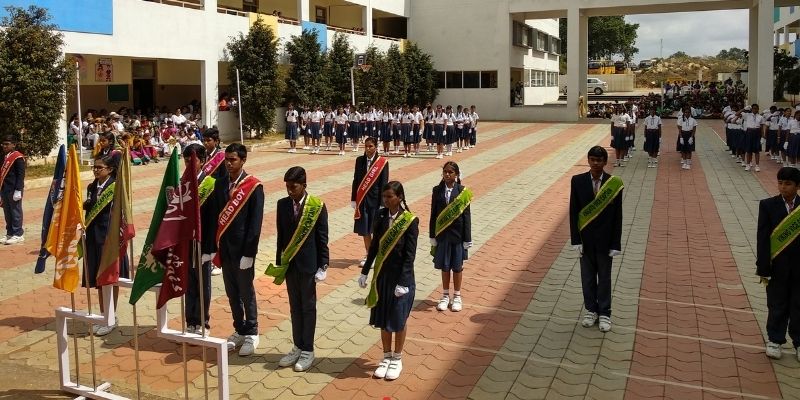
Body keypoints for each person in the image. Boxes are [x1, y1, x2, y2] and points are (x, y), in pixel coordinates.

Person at [268, 166, 329, 372]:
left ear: (304, 185)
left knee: (308, 307)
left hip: (308, 266)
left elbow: (322, 238)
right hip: (290, 265)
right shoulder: (282, 204)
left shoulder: (317, 206)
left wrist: (323, 265)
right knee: (295, 307)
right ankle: (297, 346)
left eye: (293, 187)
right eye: (287, 187)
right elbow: (281, 235)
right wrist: (279, 261)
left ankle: (308, 350)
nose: (289, 191)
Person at [358, 181, 418, 380]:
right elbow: (374, 246)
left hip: (401, 279)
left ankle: (397, 359)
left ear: (399, 198)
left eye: (389, 197)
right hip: (382, 276)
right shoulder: (381, 216)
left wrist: (404, 282)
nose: (386, 200)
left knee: (398, 319)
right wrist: (365, 271)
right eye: (384, 197)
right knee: (384, 318)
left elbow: (410, 255)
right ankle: (386, 356)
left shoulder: (409, 221)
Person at [213, 143, 264, 356]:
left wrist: (249, 253)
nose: (228, 163)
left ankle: (252, 331)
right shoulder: (220, 183)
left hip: (243, 250)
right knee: (232, 292)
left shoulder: (253, 186)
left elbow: (255, 223)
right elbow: (215, 217)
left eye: (233, 159)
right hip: (225, 249)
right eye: (226, 159)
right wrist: (213, 247)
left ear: (243, 160)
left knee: (246, 291)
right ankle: (239, 329)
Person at [569, 146, 623, 333]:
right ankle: (591, 310)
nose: (595, 163)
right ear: (588, 160)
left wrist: (616, 243)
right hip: (585, 240)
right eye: (592, 159)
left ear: (605, 162)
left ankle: (605, 312)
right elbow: (573, 211)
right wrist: (575, 240)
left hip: (605, 241)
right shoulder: (577, 181)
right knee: (587, 278)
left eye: (599, 160)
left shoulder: (613, 184)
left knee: (605, 278)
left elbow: (618, 216)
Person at [82, 155, 130, 336]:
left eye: (99, 167)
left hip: (110, 240)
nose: (95, 170)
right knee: (99, 280)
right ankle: (104, 316)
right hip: (93, 238)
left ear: (110, 170)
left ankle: (111, 317)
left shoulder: (116, 187)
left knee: (110, 278)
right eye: (94, 167)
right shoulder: (92, 186)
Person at [756, 167, 800, 360]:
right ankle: (775, 339)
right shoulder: (767, 205)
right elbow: (763, 238)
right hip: (777, 266)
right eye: (780, 183)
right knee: (777, 304)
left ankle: (799, 341)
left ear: (797, 186)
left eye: (788, 184)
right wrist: (763, 267)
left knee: (798, 304)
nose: (783, 187)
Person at [430, 161, 472, 312]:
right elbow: (433, 214)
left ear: (457, 175)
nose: (447, 174)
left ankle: (457, 296)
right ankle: (445, 295)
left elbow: (467, 216)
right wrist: (432, 235)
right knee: (445, 266)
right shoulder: (437, 190)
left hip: (458, 236)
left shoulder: (463, 192)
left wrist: (467, 238)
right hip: (442, 235)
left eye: (450, 172)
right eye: (445, 172)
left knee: (457, 267)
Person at [182, 144, 214, 334]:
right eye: (186, 161)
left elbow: (213, 220)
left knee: (203, 284)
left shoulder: (210, 184)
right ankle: (191, 320)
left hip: (203, 243)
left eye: (192, 161)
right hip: (186, 242)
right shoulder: (182, 183)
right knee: (189, 283)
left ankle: (203, 321)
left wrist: (210, 249)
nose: (188, 165)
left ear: (202, 161)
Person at [351, 137, 390, 267]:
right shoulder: (359, 160)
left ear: (376, 147)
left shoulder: (382, 162)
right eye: (366, 146)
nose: (368, 149)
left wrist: (383, 203)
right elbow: (356, 180)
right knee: (365, 229)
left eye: (370, 146)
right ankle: (369, 255)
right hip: (362, 200)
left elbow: (384, 183)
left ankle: (378, 254)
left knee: (376, 230)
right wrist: (353, 198)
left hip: (376, 201)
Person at [1, 136, 25, 245]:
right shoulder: (4, 157)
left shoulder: (17, 157)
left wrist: (18, 190)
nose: (4, 146)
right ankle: (10, 233)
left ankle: (18, 234)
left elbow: (20, 175)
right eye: (3, 144)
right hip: (4, 188)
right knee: (7, 212)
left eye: (7, 144)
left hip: (14, 189)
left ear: (13, 145)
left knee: (15, 212)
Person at [743, 104, 765, 172]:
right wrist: (744, 109)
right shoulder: (747, 115)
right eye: (754, 108)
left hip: (757, 133)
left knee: (757, 150)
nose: (755, 110)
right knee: (748, 150)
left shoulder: (760, 117)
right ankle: (748, 165)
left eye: (756, 108)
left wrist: (762, 137)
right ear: (751, 109)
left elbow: (762, 128)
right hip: (749, 132)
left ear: (758, 109)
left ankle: (757, 165)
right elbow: (737, 114)